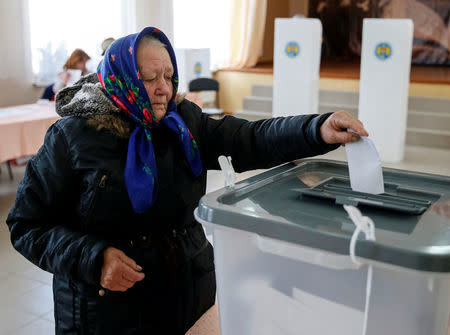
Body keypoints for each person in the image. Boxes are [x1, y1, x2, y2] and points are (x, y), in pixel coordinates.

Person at [6, 27, 368, 334]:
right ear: (122, 78)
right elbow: (26, 224)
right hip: (107, 312)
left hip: (186, 299)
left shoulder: (184, 122)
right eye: (149, 78)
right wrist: (92, 258)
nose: (164, 88)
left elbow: (251, 139)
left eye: (168, 75)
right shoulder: (73, 137)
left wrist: (316, 129)